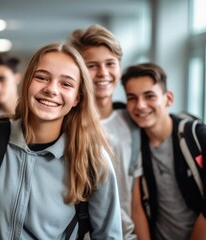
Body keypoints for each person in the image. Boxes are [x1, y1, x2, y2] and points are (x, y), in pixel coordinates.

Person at [0, 42, 122, 239]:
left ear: (77, 97)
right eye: (42, 77)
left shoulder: (92, 159)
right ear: (26, 83)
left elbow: (109, 236)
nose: (51, 89)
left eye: (66, 83)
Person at [121, 62, 206, 240]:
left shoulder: (197, 134)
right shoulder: (135, 144)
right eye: (132, 98)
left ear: (168, 98)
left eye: (149, 96)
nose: (140, 105)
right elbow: (137, 206)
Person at [68, 24, 147, 239]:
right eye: (92, 65)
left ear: (119, 67)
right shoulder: (66, 125)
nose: (103, 73)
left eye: (110, 64)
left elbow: (135, 200)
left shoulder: (132, 123)